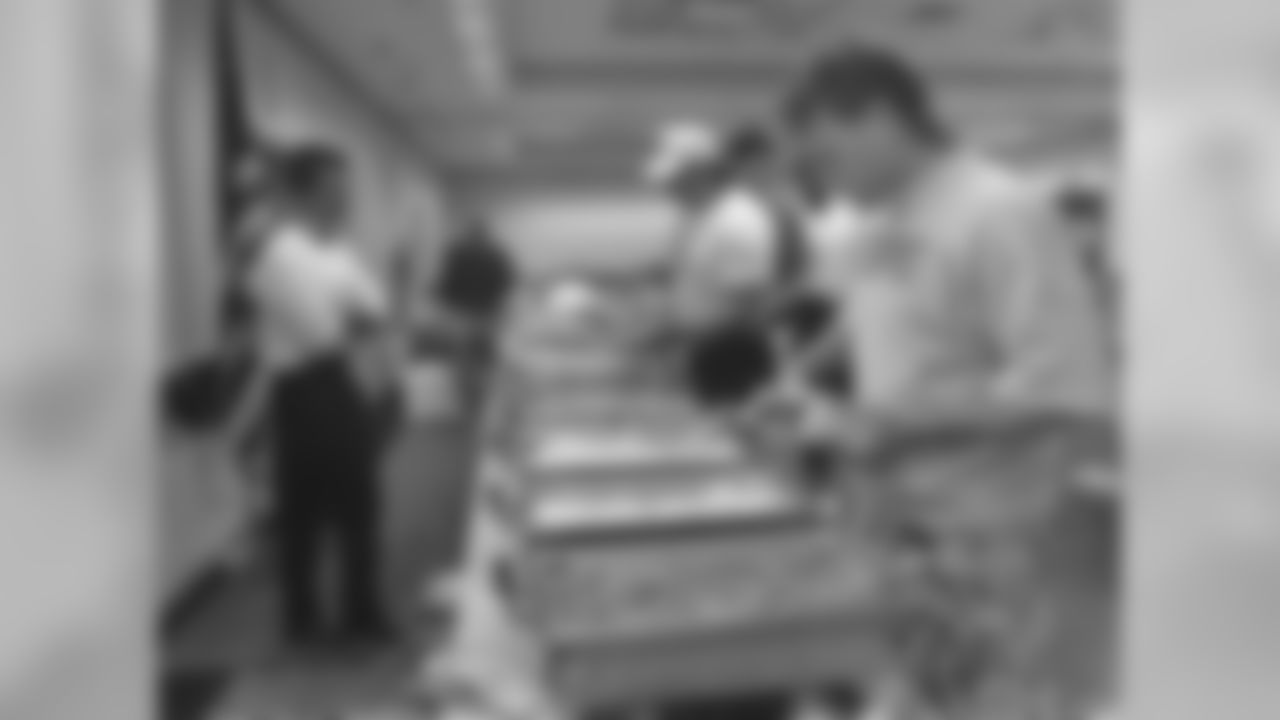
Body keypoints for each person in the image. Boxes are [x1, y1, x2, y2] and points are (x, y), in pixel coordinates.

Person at [785, 43, 1116, 716]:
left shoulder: (998, 211)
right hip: (902, 511)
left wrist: (893, 425)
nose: (824, 182)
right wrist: (797, 372)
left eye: (827, 158)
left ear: (878, 117)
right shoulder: (882, 214)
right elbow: (874, 307)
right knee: (922, 683)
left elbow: (1059, 386)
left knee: (992, 694)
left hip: (984, 524)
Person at [243, 142, 397, 648]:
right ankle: (304, 619)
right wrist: (354, 317)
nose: (345, 199)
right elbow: (322, 334)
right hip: (304, 388)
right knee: (306, 514)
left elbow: (379, 308)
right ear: (302, 193)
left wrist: (355, 317)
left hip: (338, 382)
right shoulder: (279, 254)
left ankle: (357, 613)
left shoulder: (336, 250)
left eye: (346, 188)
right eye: (334, 189)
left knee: (358, 508)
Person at [643, 122, 786, 411]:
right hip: (701, 358)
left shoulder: (737, 221)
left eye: (676, 179)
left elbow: (749, 311)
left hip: (732, 370)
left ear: (703, 172)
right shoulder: (695, 217)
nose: (668, 189)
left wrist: (684, 342)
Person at [432, 218, 516, 403]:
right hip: (482, 311)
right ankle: (478, 394)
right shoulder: (492, 255)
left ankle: (471, 394)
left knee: (468, 356)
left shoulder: (460, 254)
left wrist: (443, 302)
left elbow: (446, 282)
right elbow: (506, 281)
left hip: (469, 312)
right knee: (480, 355)